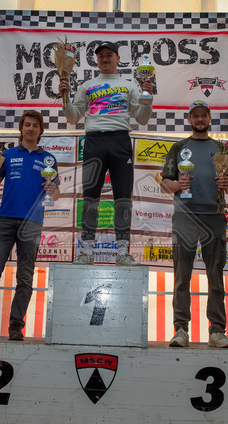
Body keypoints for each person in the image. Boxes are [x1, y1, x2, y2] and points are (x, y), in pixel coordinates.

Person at [0, 110, 60, 340]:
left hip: (32, 222)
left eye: (35, 125)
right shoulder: (7, 155)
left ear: (40, 130)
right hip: (4, 220)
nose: (30, 128)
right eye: (27, 124)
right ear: (21, 128)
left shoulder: (48, 159)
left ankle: (16, 326)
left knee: (25, 277)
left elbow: (56, 195)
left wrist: (52, 190)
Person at [58, 41, 154, 266]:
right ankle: (86, 252)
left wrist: (147, 97)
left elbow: (142, 119)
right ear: (97, 60)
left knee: (123, 198)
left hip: (120, 141)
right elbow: (73, 118)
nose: (104, 58)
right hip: (94, 141)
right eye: (100, 55)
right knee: (90, 198)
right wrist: (65, 96)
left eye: (109, 54)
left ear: (117, 58)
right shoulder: (87, 86)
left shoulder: (129, 85)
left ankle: (122, 252)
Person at [160, 100, 228, 348]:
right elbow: (165, 184)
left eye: (204, 115)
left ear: (209, 118)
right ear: (189, 120)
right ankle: (181, 330)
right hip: (185, 216)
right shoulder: (179, 147)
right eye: (196, 116)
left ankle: (217, 331)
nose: (200, 119)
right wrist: (177, 185)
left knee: (215, 277)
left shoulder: (222, 148)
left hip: (214, 216)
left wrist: (227, 185)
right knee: (182, 276)